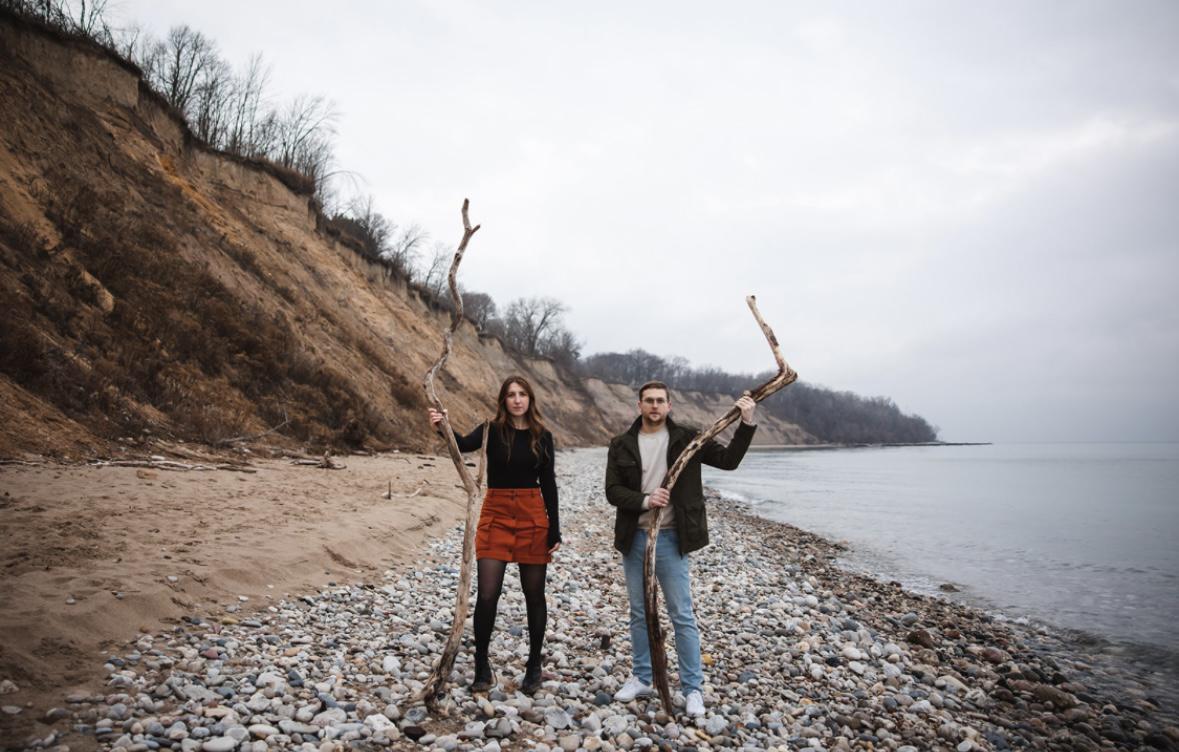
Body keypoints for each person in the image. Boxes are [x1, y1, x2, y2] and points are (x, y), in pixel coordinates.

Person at [605, 380, 756, 717]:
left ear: (669, 405)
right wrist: (646, 500)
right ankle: (642, 677)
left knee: (681, 615)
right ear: (639, 405)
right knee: (639, 612)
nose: (654, 406)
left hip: (672, 537)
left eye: (660, 400)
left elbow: (729, 460)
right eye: (649, 400)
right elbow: (612, 491)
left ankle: (692, 689)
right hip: (635, 538)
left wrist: (746, 423)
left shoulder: (689, 438)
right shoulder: (622, 444)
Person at [428, 376, 561, 695]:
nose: (517, 399)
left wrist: (554, 527)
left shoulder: (543, 436)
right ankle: (482, 665)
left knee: (534, 594)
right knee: (488, 594)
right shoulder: (490, 430)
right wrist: (442, 425)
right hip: (496, 513)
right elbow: (462, 444)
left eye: (522, 394)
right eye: (511, 395)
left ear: (530, 399)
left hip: (532, 513)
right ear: (503, 400)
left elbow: (548, 482)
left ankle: (533, 665)